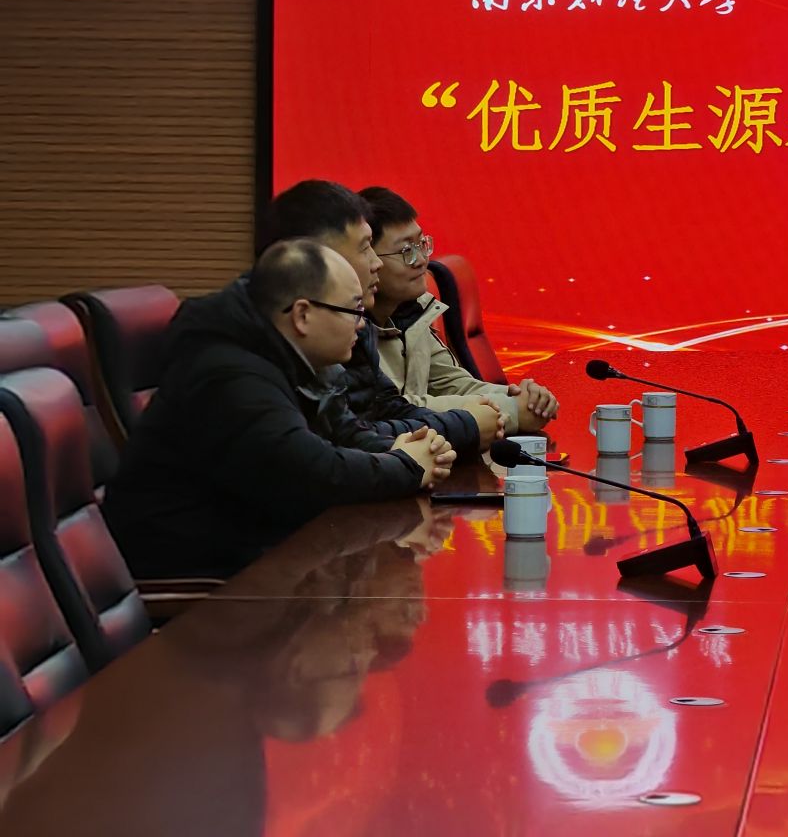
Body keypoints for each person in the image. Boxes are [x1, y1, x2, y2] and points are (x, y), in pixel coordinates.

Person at [104, 239, 455, 581]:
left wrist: (398, 451)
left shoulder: (284, 356)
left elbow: (336, 436)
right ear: (302, 315)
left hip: (255, 558)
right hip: (199, 581)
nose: (362, 324)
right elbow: (313, 472)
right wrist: (407, 466)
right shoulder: (231, 374)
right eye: (354, 311)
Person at [261, 180, 496, 454]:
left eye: (421, 244)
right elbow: (330, 456)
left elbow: (370, 422)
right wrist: (466, 427)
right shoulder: (251, 368)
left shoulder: (381, 322)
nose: (377, 263)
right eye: (365, 248)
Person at [359, 186, 558, 435]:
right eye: (406, 251)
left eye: (421, 244)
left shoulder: (411, 313)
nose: (421, 260)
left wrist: (523, 398)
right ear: (368, 259)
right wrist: (511, 410)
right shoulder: (349, 329)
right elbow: (394, 410)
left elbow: (454, 383)